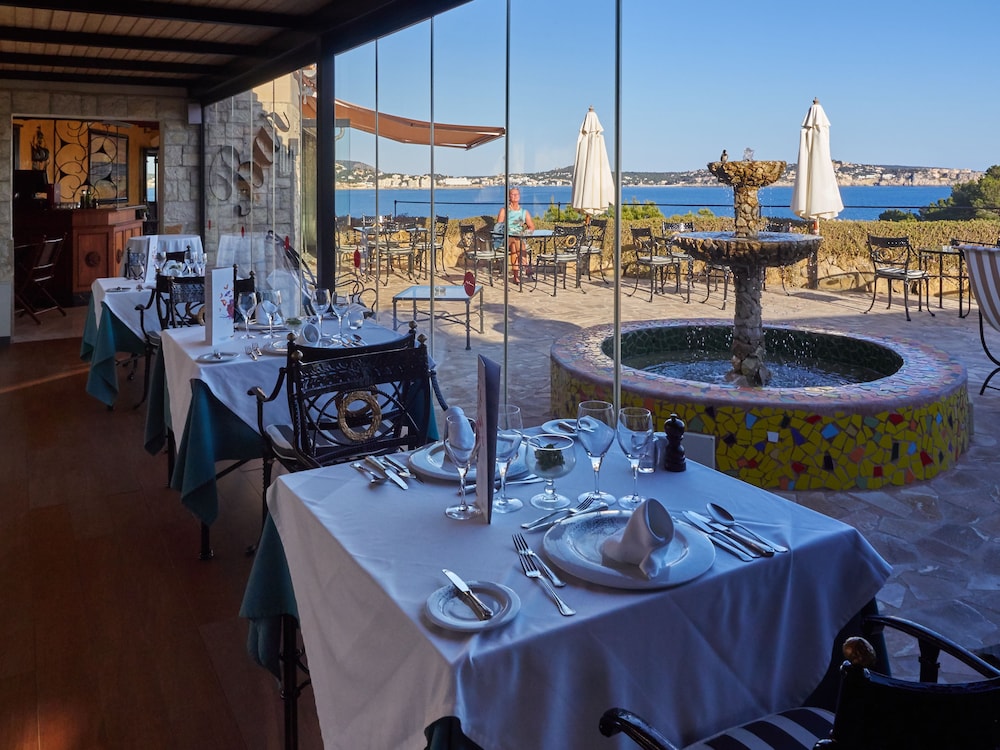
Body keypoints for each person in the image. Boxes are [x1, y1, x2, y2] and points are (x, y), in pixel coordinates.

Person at [496, 187, 535, 283]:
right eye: (512, 194)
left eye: (517, 194)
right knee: (515, 240)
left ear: (519, 196)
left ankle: (516, 277)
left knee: (515, 245)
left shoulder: (524, 212)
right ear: (509, 197)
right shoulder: (504, 210)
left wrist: (525, 233)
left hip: (519, 238)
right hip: (506, 238)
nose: (515, 196)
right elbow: (498, 227)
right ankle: (526, 266)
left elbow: (531, 227)